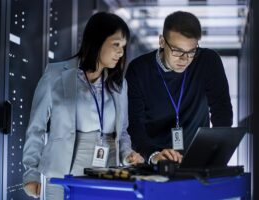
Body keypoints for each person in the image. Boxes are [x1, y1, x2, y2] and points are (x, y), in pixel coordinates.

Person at [23, 12, 144, 199]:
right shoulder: (55, 74)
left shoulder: (119, 84)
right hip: (62, 174)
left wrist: (128, 154)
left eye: (123, 47)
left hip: (107, 175)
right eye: (116, 44)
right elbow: (36, 128)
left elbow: (123, 132)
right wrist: (31, 172)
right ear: (97, 41)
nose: (121, 52)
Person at [126, 11, 233, 165]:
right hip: (156, 159)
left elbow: (221, 110)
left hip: (198, 159)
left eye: (191, 52)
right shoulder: (139, 70)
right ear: (162, 42)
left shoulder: (208, 61)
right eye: (177, 51)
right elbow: (135, 126)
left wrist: (216, 152)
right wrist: (154, 155)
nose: (184, 59)